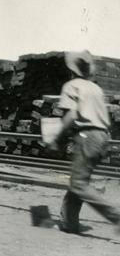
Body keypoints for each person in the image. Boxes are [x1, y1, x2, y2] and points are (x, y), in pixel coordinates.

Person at [45, 50, 120, 234]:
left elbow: (71, 115)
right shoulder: (96, 89)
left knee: (78, 184)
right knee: (79, 179)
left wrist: (56, 137)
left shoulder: (72, 86)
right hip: (103, 136)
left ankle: (116, 215)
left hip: (87, 136)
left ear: (72, 70)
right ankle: (69, 223)